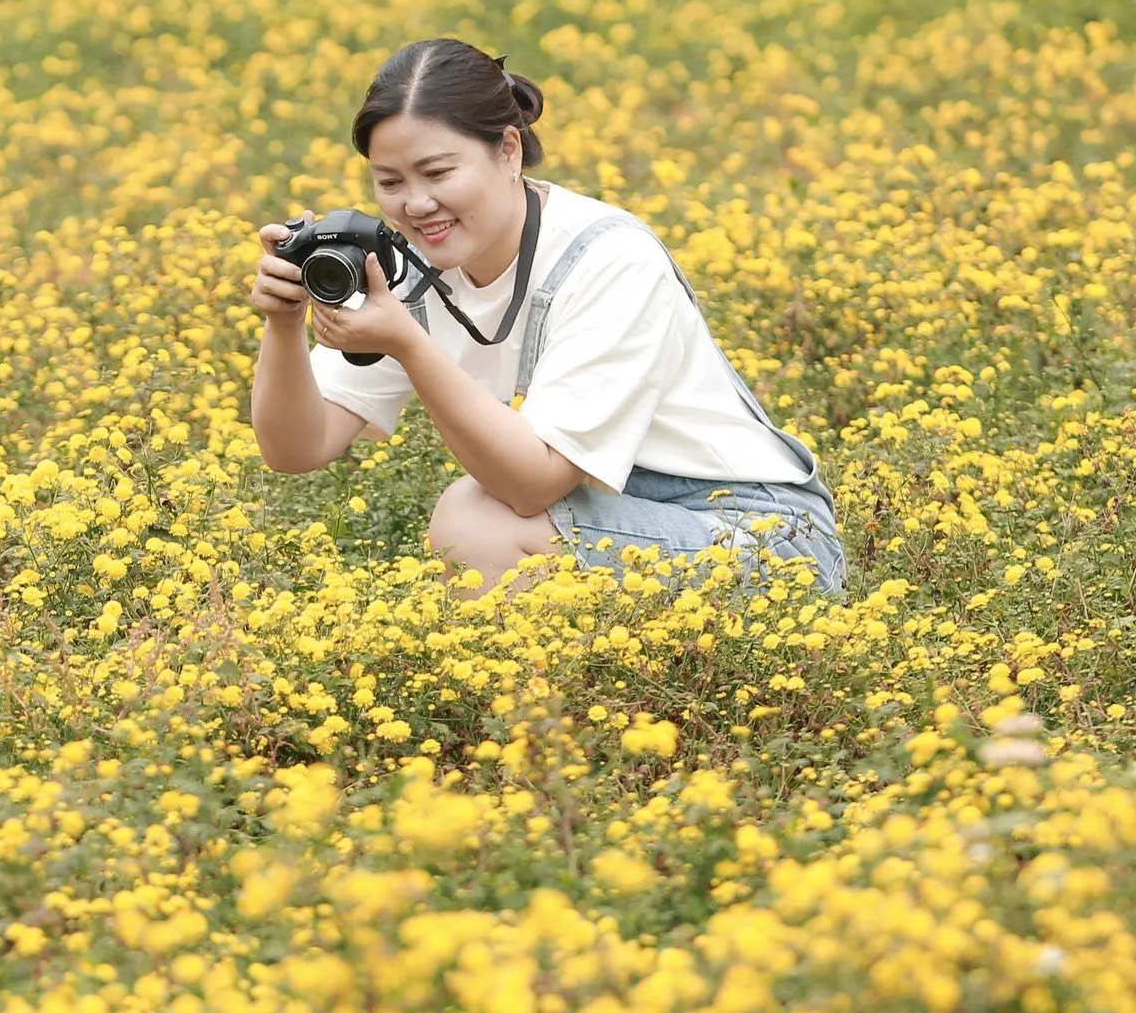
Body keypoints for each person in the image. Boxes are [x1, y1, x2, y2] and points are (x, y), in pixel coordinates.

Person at [246, 37, 846, 597]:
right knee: (480, 517)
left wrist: (409, 345)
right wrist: (284, 325)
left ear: (508, 150)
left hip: (764, 542)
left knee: (476, 520)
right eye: (389, 182)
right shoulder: (408, 264)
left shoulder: (608, 256)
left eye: (438, 173)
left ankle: (553, 710)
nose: (417, 204)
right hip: (611, 520)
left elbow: (533, 484)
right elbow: (298, 448)